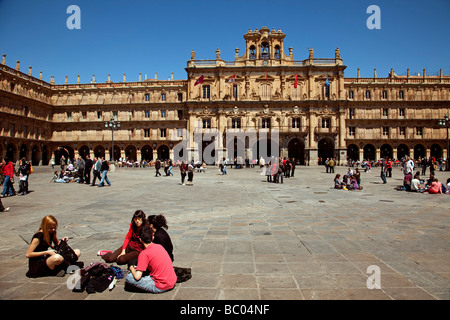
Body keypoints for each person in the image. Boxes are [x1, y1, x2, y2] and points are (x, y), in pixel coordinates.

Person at [125, 225, 177, 293]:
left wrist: (131, 267)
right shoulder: (159, 246)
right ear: (152, 237)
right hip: (172, 281)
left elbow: (137, 277)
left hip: (161, 286)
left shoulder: (144, 253)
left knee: (129, 277)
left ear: (140, 239)